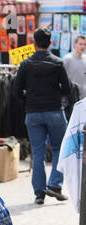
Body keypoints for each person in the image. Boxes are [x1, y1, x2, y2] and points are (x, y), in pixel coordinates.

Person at [13, 28, 71, 205]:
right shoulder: (58, 63)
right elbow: (67, 89)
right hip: (54, 110)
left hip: (33, 113)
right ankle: (54, 185)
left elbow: (16, 91)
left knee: (37, 153)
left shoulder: (25, 64)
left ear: (33, 43)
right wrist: (55, 95)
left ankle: (39, 193)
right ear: (51, 43)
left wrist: (28, 101)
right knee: (59, 149)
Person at [63, 35, 86, 99]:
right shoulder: (67, 59)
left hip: (84, 97)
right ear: (75, 44)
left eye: (85, 44)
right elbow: (62, 78)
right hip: (71, 96)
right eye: (80, 44)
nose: (83, 46)